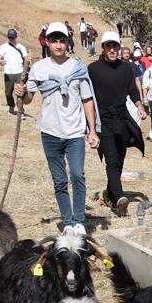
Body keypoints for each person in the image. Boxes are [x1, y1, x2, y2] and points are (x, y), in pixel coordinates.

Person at [13, 22, 98, 233]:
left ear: (67, 42)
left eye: (62, 41)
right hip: (50, 132)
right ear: (47, 43)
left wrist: (92, 130)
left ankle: (79, 221)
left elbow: (87, 99)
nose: (59, 45)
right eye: (54, 41)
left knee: (77, 175)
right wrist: (20, 92)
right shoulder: (39, 69)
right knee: (59, 180)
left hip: (75, 132)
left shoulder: (78, 67)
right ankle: (68, 223)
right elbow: (29, 99)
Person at [90, 31, 145, 213]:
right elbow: (86, 96)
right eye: (108, 46)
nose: (112, 50)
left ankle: (110, 193)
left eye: (115, 46)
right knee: (111, 160)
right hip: (103, 121)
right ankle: (120, 197)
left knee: (120, 159)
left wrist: (139, 105)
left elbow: (132, 90)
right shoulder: (93, 69)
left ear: (119, 48)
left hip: (121, 119)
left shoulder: (126, 68)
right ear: (103, 48)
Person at [0, 28, 29, 116]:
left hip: (19, 71)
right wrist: (0, 61)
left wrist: (28, 60)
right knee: (8, 92)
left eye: (13, 37)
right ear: (8, 37)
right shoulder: (3, 47)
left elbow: (26, 57)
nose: (12, 39)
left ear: (16, 37)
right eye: (10, 37)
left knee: (20, 91)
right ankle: (11, 107)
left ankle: (20, 109)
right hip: (8, 72)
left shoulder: (21, 47)